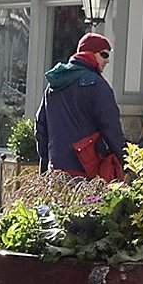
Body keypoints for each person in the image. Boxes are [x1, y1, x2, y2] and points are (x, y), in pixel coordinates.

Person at [34, 32, 125, 178]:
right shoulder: (98, 85)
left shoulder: (53, 86)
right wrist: (127, 162)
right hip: (88, 171)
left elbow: (41, 128)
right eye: (104, 55)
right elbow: (112, 129)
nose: (107, 61)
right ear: (89, 54)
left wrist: (45, 166)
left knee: (57, 201)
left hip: (56, 170)